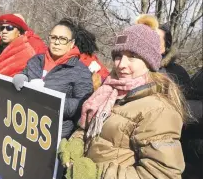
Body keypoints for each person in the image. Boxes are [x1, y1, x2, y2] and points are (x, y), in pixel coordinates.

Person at [58, 15, 192, 179]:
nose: (121, 64)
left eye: (132, 56)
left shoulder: (159, 110)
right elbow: (88, 127)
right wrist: (76, 143)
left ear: (149, 61)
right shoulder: (108, 91)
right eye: (118, 56)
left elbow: (162, 174)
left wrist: (97, 174)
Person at [12, 18, 93, 139]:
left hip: (53, 136)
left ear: (72, 43)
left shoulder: (80, 71)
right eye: (54, 37)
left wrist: (53, 102)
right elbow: (26, 74)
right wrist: (22, 76)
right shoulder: (36, 60)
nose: (56, 42)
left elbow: (83, 104)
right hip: (25, 128)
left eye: (63, 39)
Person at [0, 13, 47, 77]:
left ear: (19, 32)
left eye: (9, 28)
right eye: (2, 28)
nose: (4, 31)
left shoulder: (26, 53)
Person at [157, 23, 190, 93]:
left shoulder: (178, 73)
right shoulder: (133, 67)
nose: (150, 43)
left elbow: (187, 100)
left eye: (156, 40)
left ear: (167, 44)